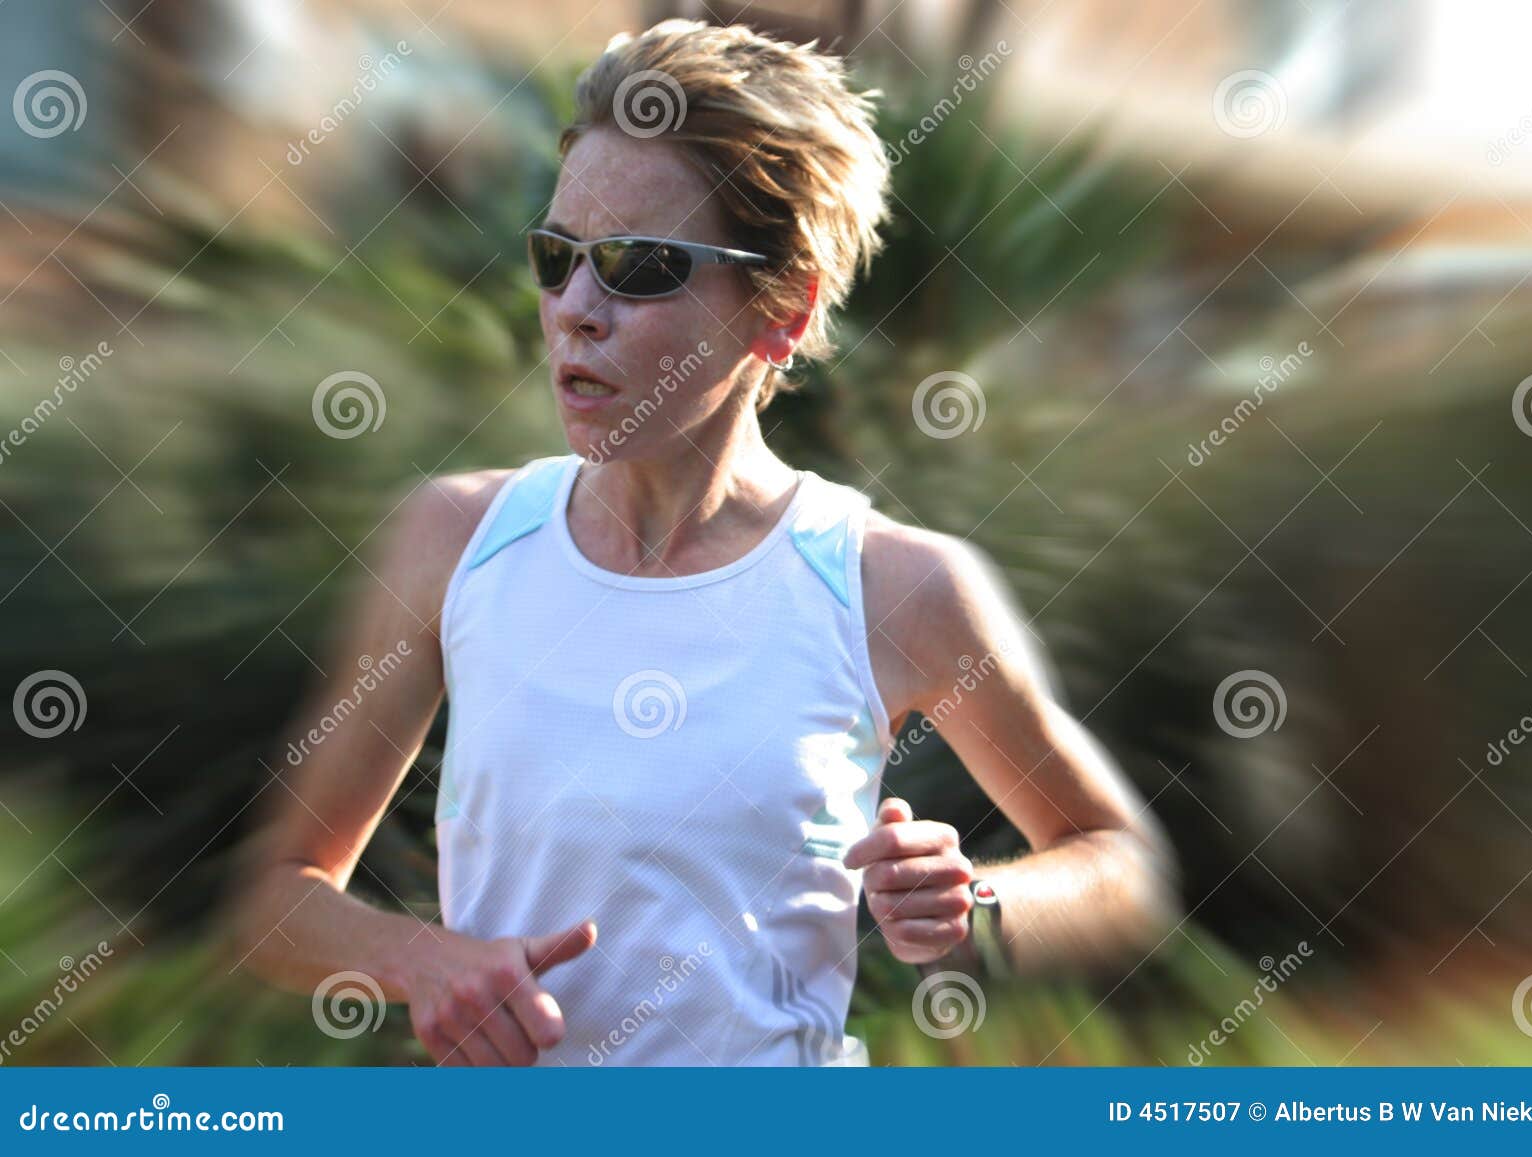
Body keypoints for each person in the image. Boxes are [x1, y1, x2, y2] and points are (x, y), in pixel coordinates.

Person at [232, 18, 1175, 1067]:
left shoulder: (890, 585)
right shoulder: (456, 540)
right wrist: (420, 958)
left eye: (639, 267)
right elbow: (280, 898)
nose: (575, 311)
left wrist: (981, 900)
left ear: (781, 311)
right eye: (557, 258)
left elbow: (1118, 863)